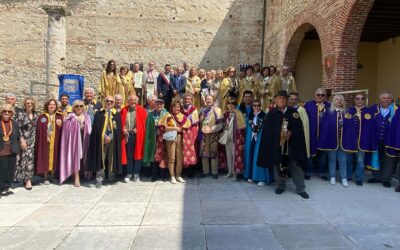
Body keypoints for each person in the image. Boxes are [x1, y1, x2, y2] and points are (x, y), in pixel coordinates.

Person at [257, 91, 309, 199]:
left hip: (291, 145)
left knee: (295, 165)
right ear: (275, 100)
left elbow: (299, 130)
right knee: (277, 165)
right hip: (277, 146)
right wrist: (277, 136)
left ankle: (300, 188)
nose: (282, 100)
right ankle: (281, 186)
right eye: (279, 98)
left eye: (284, 98)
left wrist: (291, 133)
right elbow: (268, 132)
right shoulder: (271, 114)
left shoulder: (293, 112)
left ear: (287, 100)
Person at [318, 95, 356, 187]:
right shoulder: (328, 112)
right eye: (337, 99)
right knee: (332, 159)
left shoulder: (348, 112)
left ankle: (343, 178)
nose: (339, 101)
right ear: (334, 101)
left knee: (343, 160)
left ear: (343, 101)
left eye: (341, 99)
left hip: (343, 141)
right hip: (332, 140)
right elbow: (325, 127)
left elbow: (351, 127)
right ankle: (332, 176)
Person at [87, 95, 122, 188]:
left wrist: (110, 137)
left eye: (111, 101)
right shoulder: (99, 114)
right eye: (107, 101)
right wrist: (104, 136)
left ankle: (111, 177)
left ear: (114, 103)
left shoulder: (116, 114)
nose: (109, 103)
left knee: (112, 158)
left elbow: (117, 129)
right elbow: (96, 128)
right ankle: (99, 179)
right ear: (104, 102)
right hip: (101, 141)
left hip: (112, 141)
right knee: (100, 158)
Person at [367, 91, 397, 188]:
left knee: (389, 159)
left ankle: (386, 179)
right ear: (380, 100)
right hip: (375, 138)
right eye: (384, 98)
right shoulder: (373, 108)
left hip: (390, 139)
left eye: (388, 98)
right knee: (375, 157)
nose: (386, 100)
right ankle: (376, 177)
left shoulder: (396, 110)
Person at [158, 98, 192, 184]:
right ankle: (172, 176)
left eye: (178, 107)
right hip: (170, 138)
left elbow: (188, 126)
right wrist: (175, 128)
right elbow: (163, 128)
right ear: (171, 107)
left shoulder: (183, 117)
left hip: (180, 138)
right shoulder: (167, 116)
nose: (176, 109)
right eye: (174, 107)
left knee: (179, 157)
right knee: (172, 157)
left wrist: (182, 129)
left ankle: (178, 175)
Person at [59, 100, 91, 187]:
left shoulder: (87, 117)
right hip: (73, 141)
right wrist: (76, 127)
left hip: (84, 139)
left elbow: (90, 129)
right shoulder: (70, 117)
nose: (79, 108)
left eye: (81, 106)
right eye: (77, 106)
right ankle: (76, 177)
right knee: (75, 157)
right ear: (73, 108)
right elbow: (65, 131)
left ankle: (84, 174)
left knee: (84, 157)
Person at [347, 94, 377, 185]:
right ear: (354, 100)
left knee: (360, 160)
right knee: (349, 159)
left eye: (362, 99)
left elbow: (371, 127)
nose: (360, 101)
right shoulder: (349, 110)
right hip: (350, 139)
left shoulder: (369, 111)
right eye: (357, 99)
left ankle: (359, 178)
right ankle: (348, 175)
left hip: (362, 140)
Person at [34, 99, 63, 185]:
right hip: (45, 141)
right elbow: (39, 130)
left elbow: (63, 130)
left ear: (56, 106)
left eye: (54, 104)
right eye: (50, 104)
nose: (52, 106)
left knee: (55, 157)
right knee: (45, 157)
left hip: (56, 140)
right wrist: (45, 137)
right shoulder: (42, 116)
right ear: (47, 106)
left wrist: (60, 125)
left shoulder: (59, 116)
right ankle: (45, 176)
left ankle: (52, 176)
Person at [304, 88, 331, 180]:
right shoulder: (308, 105)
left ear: (325, 96)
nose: (320, 96)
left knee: (323, 154)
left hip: (325, 135)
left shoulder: (329, 106)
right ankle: (308, 171)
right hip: (311, 133)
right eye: (318, 95)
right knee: (310, 153)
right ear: (315, 95)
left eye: (322, 95)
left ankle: (321, 172)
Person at [120, 95, 147, 182]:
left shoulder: (142, 110)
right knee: (129, 154)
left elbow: (144, 124)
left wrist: (139, 129)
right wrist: (123, 129)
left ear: (137, 101)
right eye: (131, 100)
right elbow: (120, 122)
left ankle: (136, 173)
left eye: (134, 100)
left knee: (138, 154)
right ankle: (129, 173)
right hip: (127, 135)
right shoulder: (124, 110)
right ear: (128, 101)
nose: (133, 102)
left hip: (138, 136)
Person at [244, 99, 271, 186]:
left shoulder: (264, 116)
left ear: (261, 106)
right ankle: (251, 176)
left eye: (258, 105)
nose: (256, 107)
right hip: (251, 139)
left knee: (259, 157)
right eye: (254, 105)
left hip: (260, 140)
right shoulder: (250, 116)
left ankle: (261, 178)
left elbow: (260, 129)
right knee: (251, 156)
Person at [15, 97, 38, 190]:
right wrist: (21, 140)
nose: (30, 104)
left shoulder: (36, 114)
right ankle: (28, 180)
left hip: (34, 140)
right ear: (24, 104)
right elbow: (17, 128)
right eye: (28, 103)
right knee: (26, 159)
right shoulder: (21, 114)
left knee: (29, 159)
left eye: (31, 103)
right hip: (24, 140)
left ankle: (25, 178)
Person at [143, 99, 169, 181]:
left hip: (163, 138)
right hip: (153, 137)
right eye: (157, 104)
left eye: (161, 104)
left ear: (163, 105)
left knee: (163, 156)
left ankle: (163, 175)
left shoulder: (167, 114)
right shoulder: (150, 114)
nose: (159, 106)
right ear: (155, 105)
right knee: (154, 156)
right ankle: (155, 175)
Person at [221, 97, 246, 180]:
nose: (230, 105)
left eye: (232, 103)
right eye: (229, 103)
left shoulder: (238, 113)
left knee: (235, 156)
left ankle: (235, 173)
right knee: (228, 156)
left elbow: (242, 127)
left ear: (235, 105)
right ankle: (229, 172)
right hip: (227, 137)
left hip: (235, 138)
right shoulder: (226, 113)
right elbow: (221, 124)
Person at [199, 95, 223, 179]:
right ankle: (205, 171)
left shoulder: (217, 110)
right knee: (204, 152)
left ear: (213, 100)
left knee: (213, 152)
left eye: (210, 99)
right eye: (207, 99)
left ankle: (214, 172)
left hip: (213, 134)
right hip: (203, 134)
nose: (208, 100)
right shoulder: (202, 110)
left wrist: (213, 128)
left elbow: (220, 123)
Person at [0, 104, 20, 197]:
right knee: (2, 170)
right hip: (1, 151)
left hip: (12, 150)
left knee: (10, 170)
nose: (7, 113)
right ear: (1, 112)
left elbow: (18, 137)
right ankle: (1, 188)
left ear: (12, 113)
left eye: (9, 111)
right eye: (5, 111)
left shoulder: (15, 123)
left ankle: (6, 187)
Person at [288, 92, 310, 166]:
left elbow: (305, 123)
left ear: (297, 100)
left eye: (295, 99)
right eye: (291, 99)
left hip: (299, 136)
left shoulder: (301, 110)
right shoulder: (287, 109)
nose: (293, 101)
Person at [181, 93, 199, 177]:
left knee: (192, 149)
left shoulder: (194, 109)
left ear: (191, 100)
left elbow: (195, 121)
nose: (187, 100)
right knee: (182, 149)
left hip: (191, 131)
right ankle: (183, 168)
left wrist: (187, 119)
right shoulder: (180, 109)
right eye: (185, 99)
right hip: (182, 131)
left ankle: (191, 170)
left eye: (188, 99)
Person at [385, 106, 400, 192]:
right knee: (390, 160)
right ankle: (386, 180)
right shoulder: (398, 111)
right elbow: (395, 125)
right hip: (395, 140)